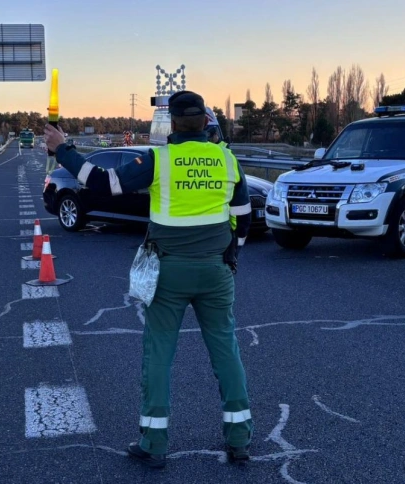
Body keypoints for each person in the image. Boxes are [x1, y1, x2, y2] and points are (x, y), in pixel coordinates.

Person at [44, 90, 254, 468]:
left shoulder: (159, 159)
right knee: (226, 352)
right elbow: (243, 217)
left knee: (159, 355)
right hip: (216, 271)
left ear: (171, 124)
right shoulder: (227, 159)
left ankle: (154, 443)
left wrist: (63, 149)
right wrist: (231, 255)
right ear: (206, 122)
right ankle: (239, 439)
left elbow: (102, 182)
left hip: (169, 272)